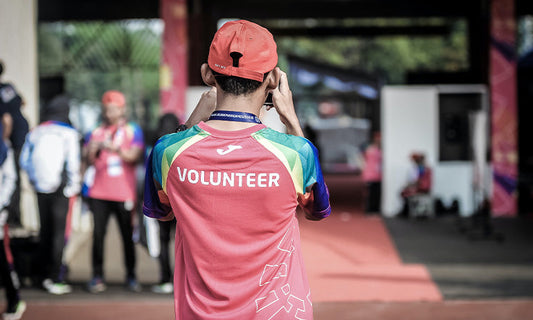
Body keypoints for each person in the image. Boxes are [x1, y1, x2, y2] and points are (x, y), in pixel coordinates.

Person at [143, 20, 331, 319]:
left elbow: (163, 212)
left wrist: (190, 124)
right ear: (272, 80)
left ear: (207, 74)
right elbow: (316, 210)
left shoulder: (168, 151)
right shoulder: (296, 153)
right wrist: (292, 122)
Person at [19, 94, 81, 295]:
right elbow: (73, 163)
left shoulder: (36, 131)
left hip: (40, 189)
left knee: (44, 232)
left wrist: (34, 181)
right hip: (61, 191)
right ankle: (55, 277)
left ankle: (40, 276)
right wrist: (73, 187)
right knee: (58, 234)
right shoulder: (69, 133)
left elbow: (24, 160)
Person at [84, 90, 144, 293]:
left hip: (123, 193)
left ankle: (131, 275)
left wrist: (115, 148)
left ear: (122, 109)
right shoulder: (95, 130)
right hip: (98, 192)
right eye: (106, 108)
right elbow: (87, 158)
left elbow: (134, 155)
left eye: (113, 108)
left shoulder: (131, 130)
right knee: (98, 236)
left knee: (127, 236)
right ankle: (97, 275)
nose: (109, 112)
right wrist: (92, 149)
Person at [146, 113, 180, 294]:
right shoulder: (182, 144)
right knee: (183, 242)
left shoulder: (158, 145)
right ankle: (182, 280)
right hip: (181, 203)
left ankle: (165, 278)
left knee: (163, 239)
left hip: (162, 200)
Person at [0, 121, 26, 320]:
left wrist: (2, 202)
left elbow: (10, 179)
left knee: (2, 256)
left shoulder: (4, 148)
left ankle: (14, 300)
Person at [0, 60, 29, 227]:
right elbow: (22, 102)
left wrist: (4, 140)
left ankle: (13, 217)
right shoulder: (7, 87)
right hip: (20, 132)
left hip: (12, 137)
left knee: (12, 177)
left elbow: (7, 120)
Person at [398, 152, 432, 217]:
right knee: (404, 192)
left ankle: (406, 211)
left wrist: (409, 186)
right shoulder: (425, 168)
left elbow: (419, 181)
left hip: (422, 189)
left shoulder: (422, 168)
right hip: (423, 188)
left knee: (404, 193)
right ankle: (408, 210)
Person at [361, 131, 382, 214]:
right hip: (370, 174)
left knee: (376, 193)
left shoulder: (378, 150)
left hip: (378, 175)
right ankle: (369, 210)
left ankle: (374, 209)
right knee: (370, 193)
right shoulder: (370, 149)